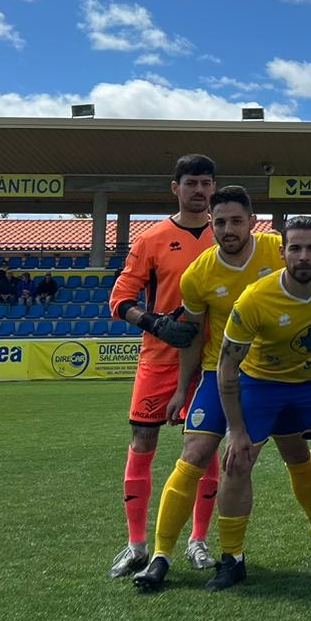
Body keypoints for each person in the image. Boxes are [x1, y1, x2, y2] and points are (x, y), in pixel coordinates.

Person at [132, 188, 311, 593]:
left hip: (278, 375)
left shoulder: (278, 249)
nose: (227, 229)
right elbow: (194, 337)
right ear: (211, 224)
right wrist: (182, 388)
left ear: (252, 221)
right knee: (193, 455)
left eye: (235, 221)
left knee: (296, 452)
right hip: (219, 373)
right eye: (219, 222)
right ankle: (161, 556)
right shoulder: (199, 273)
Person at [205, 216, 311, 591]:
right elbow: (227, 365)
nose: (303, 256)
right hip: (263, 385)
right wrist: (235, 429)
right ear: (282, 253)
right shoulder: (256, 298)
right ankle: (232, 558)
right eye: (295, 248)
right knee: (237, 462)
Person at [105, 154, 213, 579]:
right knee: (142, 443)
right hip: (158, 358)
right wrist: (155, 324)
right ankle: (135, 545)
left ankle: (198, 541)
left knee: (206, 449)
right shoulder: (151, 239)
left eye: (206, 183)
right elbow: (120, 300)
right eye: (191, 183)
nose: (199, 190)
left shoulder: (228, 236)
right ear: (176, 188)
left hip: (209, 362)